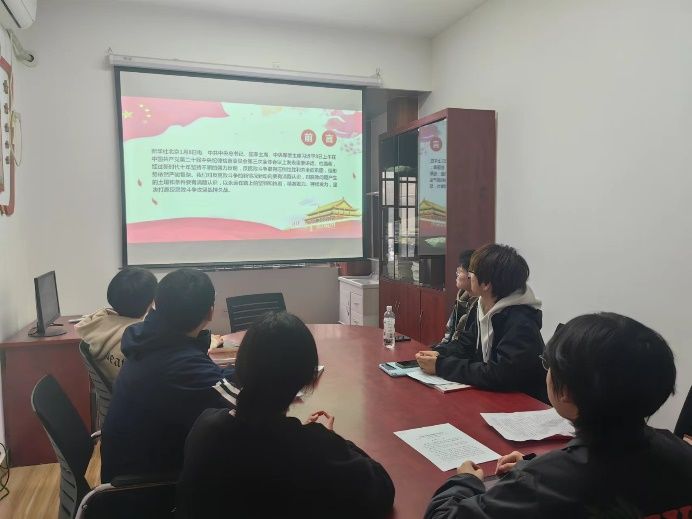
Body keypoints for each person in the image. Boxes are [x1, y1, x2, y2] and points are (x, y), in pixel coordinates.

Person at [424, 313, 692, 518]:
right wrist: (532, 469)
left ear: (566, 393)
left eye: (548, 365)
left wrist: (465, 481)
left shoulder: (547, 483)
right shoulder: (680, 452)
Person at [176, 312, 395, 519]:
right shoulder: (311, 450)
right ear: (307, 378)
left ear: (240, 367)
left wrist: (309, 438)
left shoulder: (205, 426)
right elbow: (381, 488)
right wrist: (329, 440)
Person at [101, 268, 237, 482]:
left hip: (134, 466)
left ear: (156, 303)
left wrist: (237, 371)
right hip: (147, 488)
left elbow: (215, 380)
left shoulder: (149, 339)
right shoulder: (180, 364)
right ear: (210, 312)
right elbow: (241, 404)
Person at [416, 244, 546, 401]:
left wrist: (441, 366)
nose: (469, 277)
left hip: (523, 403)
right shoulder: (483, 305)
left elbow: (499, 374)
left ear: (486, 284)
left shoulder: (521, 322)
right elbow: (465, 345)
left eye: (471, 273)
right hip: (492, 396)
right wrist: (439, 353)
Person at [75, 267, 157, 386]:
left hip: (116, 393)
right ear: (152, 302)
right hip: (135, 395)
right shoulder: (141, 339)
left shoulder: (97, 323)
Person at [437, 249, 477, 346]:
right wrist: (438, 350)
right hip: (450, 350)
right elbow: (449, 333)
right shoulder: (461, 299)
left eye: (460, 271)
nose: (457, 274)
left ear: (472, 275)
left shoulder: (480, 304)